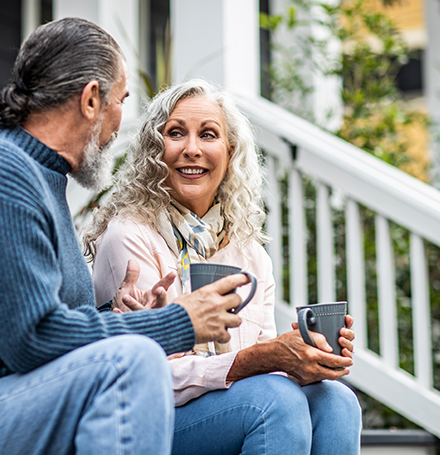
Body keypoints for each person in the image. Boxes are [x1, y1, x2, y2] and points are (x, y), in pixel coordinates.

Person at [0, 19, 250, 455]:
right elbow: (34, 339)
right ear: (90, 100)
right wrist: (175, 322)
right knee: (133, 363)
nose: (119, 124)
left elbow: (41, 325)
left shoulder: (39, 179)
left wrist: (121, 318)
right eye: (120, 101)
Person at [83, 79, 363, 455]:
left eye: (208, 134)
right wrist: (260, 360)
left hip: (231, 408)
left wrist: (304, 360)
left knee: (337, 402)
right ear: (155, 151)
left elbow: (262, 362)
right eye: (176, 133)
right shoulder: (131, 235)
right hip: (150, 418)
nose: (192, 149)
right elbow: (149, 378)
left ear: (229, 153)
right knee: (274, 401)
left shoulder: (249, 253)